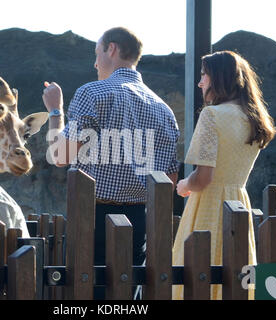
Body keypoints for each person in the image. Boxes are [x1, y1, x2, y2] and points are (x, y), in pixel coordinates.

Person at [42, 27, 179, 299]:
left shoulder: (91, 93)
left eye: (97, 53)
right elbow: (169, 182)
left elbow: (60, 156)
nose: (95, 63)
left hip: (91, 218)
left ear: (112, 49)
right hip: (140, 222)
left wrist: (55, 112)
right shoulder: (164, 109)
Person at [173, 50, 276, 300]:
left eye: (204, 76)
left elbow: (204, 178)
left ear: (218, 78)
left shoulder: (212, 115)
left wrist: (184, 184)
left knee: (197, 278)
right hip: (239, 204)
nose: (200, 82)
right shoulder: (254, 119)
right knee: (236, 281)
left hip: (207, 206)